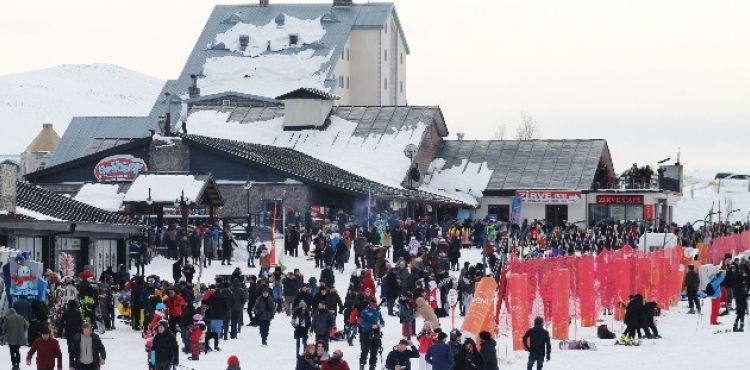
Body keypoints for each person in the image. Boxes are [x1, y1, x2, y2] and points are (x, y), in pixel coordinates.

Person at [359, 298, 385, 370]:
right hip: (366, 334)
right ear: (369, 304)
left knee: (374, 352)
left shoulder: (378, 312)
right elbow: (361, 322)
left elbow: (382, 321)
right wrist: (371, 326)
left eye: (375, 304)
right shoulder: (364, 312)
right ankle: (362, 366)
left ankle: (372, 366)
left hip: (376, 334)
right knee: (365, 351)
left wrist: (381, 325)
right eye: (372, 304)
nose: (373, 306)